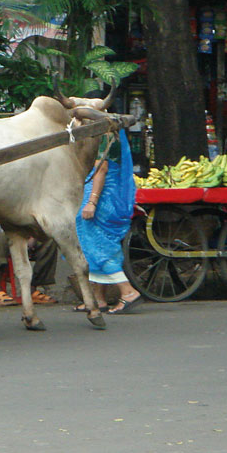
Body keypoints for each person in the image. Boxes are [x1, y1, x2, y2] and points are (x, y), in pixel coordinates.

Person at [72, 128, 143, 315]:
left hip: (102, 195)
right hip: (109, 192)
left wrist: (92, 202)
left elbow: (101, 169)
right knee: (95, 242)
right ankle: (98, 298)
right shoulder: (112, 132)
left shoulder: (102, 135)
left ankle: (127, 291)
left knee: (97, 244)